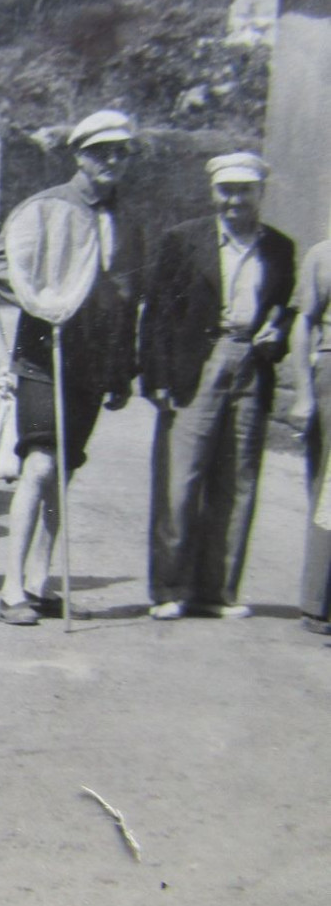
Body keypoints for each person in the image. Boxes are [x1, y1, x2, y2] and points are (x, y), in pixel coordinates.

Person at [0, 110, 145, 626]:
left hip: (94, 364)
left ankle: (39, 583)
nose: (112, 160)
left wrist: (121, 371)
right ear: (80, 155)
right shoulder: (45, 207)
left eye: (120, 152)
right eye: (101, 151)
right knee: (41, 464)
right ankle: (10, 591)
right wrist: (43, 298)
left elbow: (126, 299)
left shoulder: (129, 222)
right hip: (42, 353)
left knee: (63, 474)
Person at [138, 153, 295, 620]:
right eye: (226, 189)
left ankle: (216, 591)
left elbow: (283, 309)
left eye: (245, 190)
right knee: (180, 479)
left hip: (251, 362)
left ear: (260, 194)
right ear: (213, 192)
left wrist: (277, 332)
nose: (235, 200)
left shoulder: (280, 248)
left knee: (236, 480)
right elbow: (158, 314)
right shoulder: (183, 241)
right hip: (198, 364)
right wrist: (158, 378)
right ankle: (169, 589)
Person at [291, 239, 331, 633]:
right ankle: (318, 604)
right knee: (329, 490)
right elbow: (305, 323)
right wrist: (304, 393)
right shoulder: (323, 255)